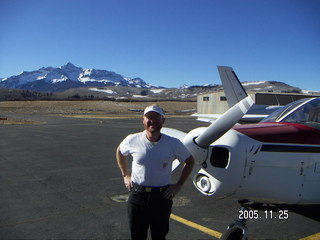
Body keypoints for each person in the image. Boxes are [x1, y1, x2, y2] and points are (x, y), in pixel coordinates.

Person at [116, 105, 194, 240]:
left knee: (159, 236)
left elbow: (189, 161)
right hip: (137, 195)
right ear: (143, 120)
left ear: (163, 121)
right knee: (137, 236)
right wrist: (125, 175)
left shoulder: (173, 143)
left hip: (161, 197)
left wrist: (178, 185)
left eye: (157, 118)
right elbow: (120, 152)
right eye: (149, 118)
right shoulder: (132, 140)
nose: (153, 121)